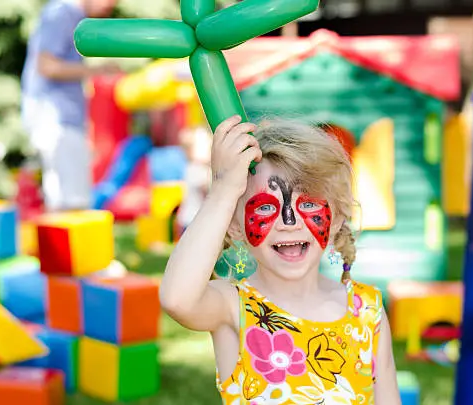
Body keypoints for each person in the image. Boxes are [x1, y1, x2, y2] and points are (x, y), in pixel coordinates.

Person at [160, 115, 401, 404]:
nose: (289, 222)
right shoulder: (233, 307)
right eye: (264, 207)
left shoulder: (368, 313)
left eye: (309, 203)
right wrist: (224, 189)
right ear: (235, 225)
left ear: (336, 217)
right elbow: (177, 299)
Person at [21, 0, 119, 211]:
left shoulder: (69, 15)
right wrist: (97, 70)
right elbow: (47, 66)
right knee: (70, 197)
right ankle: (70, 244)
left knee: (68, 193)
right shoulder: (62, 14)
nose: (111, 5)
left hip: (61, 114)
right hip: (55, 114)